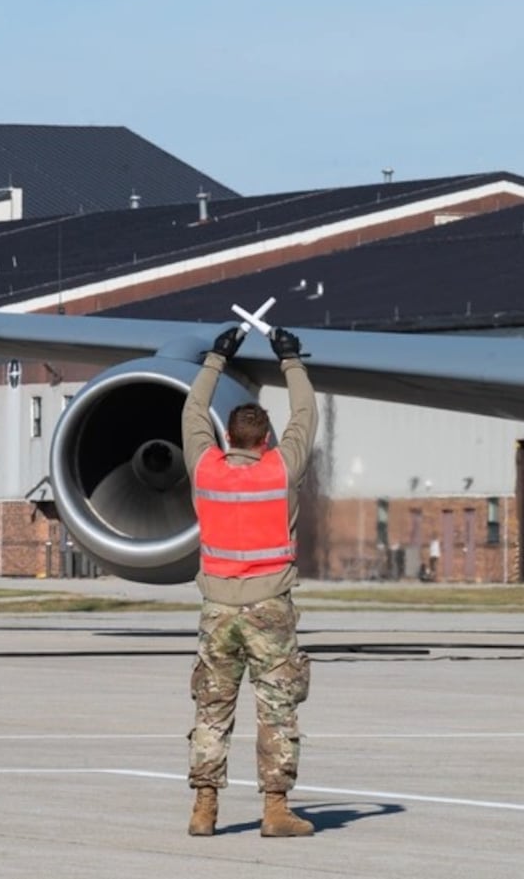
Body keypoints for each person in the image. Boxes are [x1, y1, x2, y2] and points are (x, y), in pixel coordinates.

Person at [182, 322, 318, 839]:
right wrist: (290, 359)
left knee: (212, 708)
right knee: (277, 706)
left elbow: (192, 413)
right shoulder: (279, 471)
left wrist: (216, 359)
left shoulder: (206, 469)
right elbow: (306, 415)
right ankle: (276, 808)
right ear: (265, 438)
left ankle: (204, 807)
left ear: (226, 437)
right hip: (269, 608)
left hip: (216, 608)